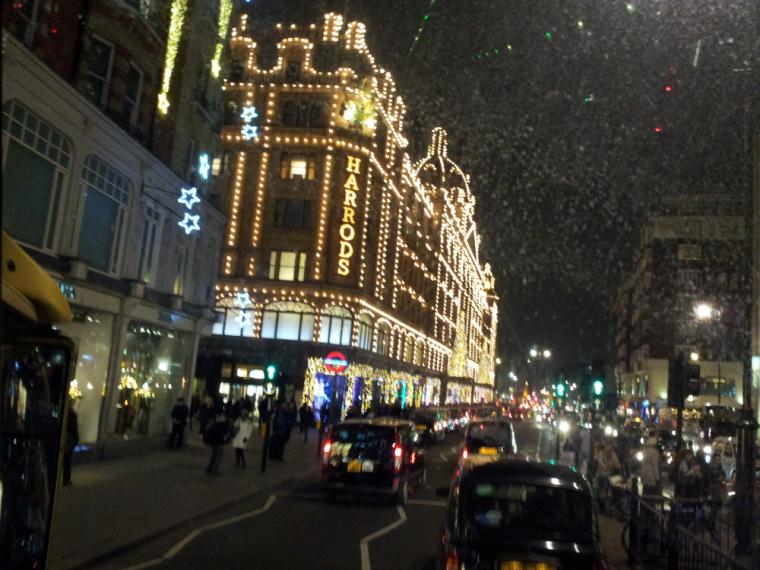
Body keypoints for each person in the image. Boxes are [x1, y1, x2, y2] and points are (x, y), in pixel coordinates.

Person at [203, 406, 230, 475]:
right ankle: (214, 470)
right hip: (218, 442)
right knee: (218, 456)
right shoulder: (223, 424)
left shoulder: (215, 422)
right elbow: (223, 435)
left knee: (214, 455)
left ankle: (209, 468)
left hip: (212, 441)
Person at [639, 431, 662, 496]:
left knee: (645, 492)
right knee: (651, 495)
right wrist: (657, 478)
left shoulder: (644, 451)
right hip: (651, 476)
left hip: (644, 473)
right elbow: (655, 466)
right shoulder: (654, 452)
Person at [62, 406, 79, 486]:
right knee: (67, 460)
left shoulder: (67, 416)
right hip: (71, 439)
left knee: (66, 460)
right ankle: (66, 479)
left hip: (69, 439)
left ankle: (66, 479)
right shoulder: (72, 415)